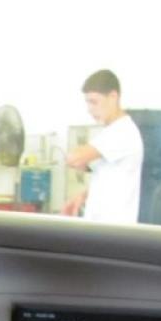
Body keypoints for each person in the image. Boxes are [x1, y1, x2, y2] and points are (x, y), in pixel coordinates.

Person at [62, 69, 144, 224]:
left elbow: (74, 158)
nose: (90, 109)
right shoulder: (112, 133)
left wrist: (78, 160)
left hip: (114, 230)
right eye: (88, 103)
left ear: (113, 97)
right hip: (101, 225)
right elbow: (107, 176)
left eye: (94, 102)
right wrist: (83, 196)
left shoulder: (122, 131)